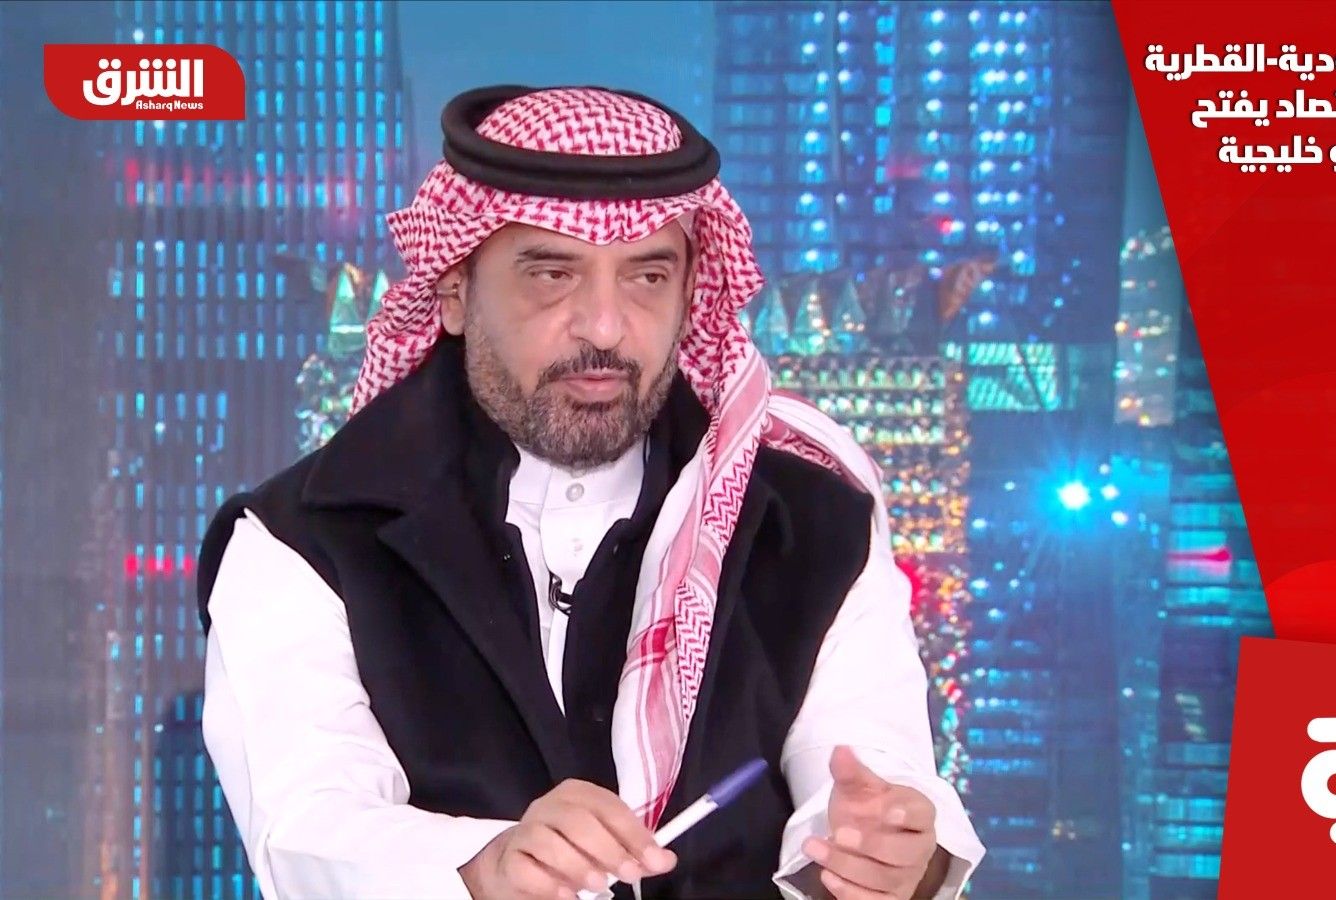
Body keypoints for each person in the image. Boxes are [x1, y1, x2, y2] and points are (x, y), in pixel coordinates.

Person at [196, 85, 985, 900]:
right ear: (456, 290)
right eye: (552, 274)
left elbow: (868, 772)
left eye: (648, 275)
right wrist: (484, 865)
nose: (605, 327)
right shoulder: (302, 539)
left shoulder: (813, 522)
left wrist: (886, 853)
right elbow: (308, 825)